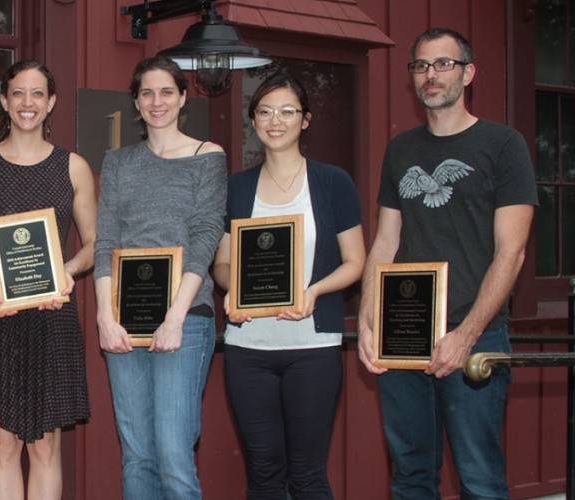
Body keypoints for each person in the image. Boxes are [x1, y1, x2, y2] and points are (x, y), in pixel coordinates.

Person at [357, 27, 537, 498]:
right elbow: (385, 242)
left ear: (468, 72)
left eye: (443, 64)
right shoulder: (401, 151)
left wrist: (467, 335)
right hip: (404, 334)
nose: (430, 75)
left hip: (474, 336)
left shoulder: (503, 145)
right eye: (420, 65)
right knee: (411, 476)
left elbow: (511, 251)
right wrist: (368, 321)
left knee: (479, 478)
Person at [0, 59, 96, 500]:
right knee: (4, 444)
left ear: (50, 103)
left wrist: (65, 272)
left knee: (46, 448)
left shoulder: (74, 167)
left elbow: (95, 242)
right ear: (4, 100)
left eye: (36, 94)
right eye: (17, 93)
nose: (26, 103)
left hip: (52, 316)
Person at [211, 73, 365, 498]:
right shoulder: (236, 187)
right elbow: (222, 263)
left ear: (306, 120)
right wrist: (231, 292)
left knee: (308, 473)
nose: (274, 120)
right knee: (262, 471)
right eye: (264, 111)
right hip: (249, 348)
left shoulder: (333, 182)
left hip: (312, 348)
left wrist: (314, 291)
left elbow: (356, 262)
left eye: (287, 111)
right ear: (254, 121)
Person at [94, 55, 227, 500]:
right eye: (147, 93)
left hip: (186, 319)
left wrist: (175, 316)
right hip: (125, 320)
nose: (157, 101)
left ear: (183, 97)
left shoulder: (207, 156)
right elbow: (106, 242)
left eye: (167, 91)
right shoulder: (118, 162)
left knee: (173, 455)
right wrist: (104, 317)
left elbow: (206, 236)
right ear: (135, 102)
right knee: (137, 456)